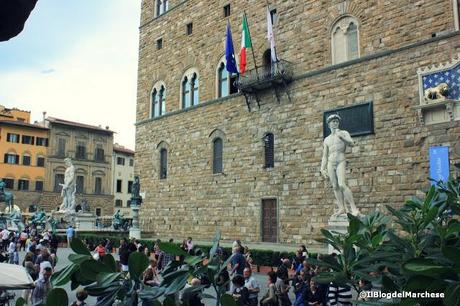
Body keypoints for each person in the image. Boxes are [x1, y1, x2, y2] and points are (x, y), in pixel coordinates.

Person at [321, 114, 359, 216]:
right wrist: (322, 168)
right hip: (330, 162)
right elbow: (325, 155)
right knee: (335, 186)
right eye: (333, 121)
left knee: (342, 184)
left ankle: (354, 209)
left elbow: (351, 143)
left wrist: (342, 138)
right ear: (329, 124)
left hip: (340, 160)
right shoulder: (327, 139)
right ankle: (342, 208)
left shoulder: (343, 133)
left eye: (336, 121)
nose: (335, 123)